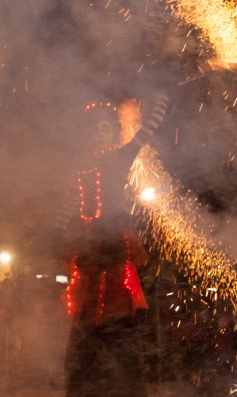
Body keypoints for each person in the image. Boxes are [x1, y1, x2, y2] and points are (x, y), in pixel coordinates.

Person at [57, 93, 169, 397]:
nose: (99, 134)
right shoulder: (80, 168)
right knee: (84, 338)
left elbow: (147, 133)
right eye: (94, 129)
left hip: (111, 254)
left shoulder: (119, 157)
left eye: (105, 128)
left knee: (119, 333)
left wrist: (161, 99)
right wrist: (57, 233)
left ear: (112, 131)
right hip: (89, 259)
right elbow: (67, 210)